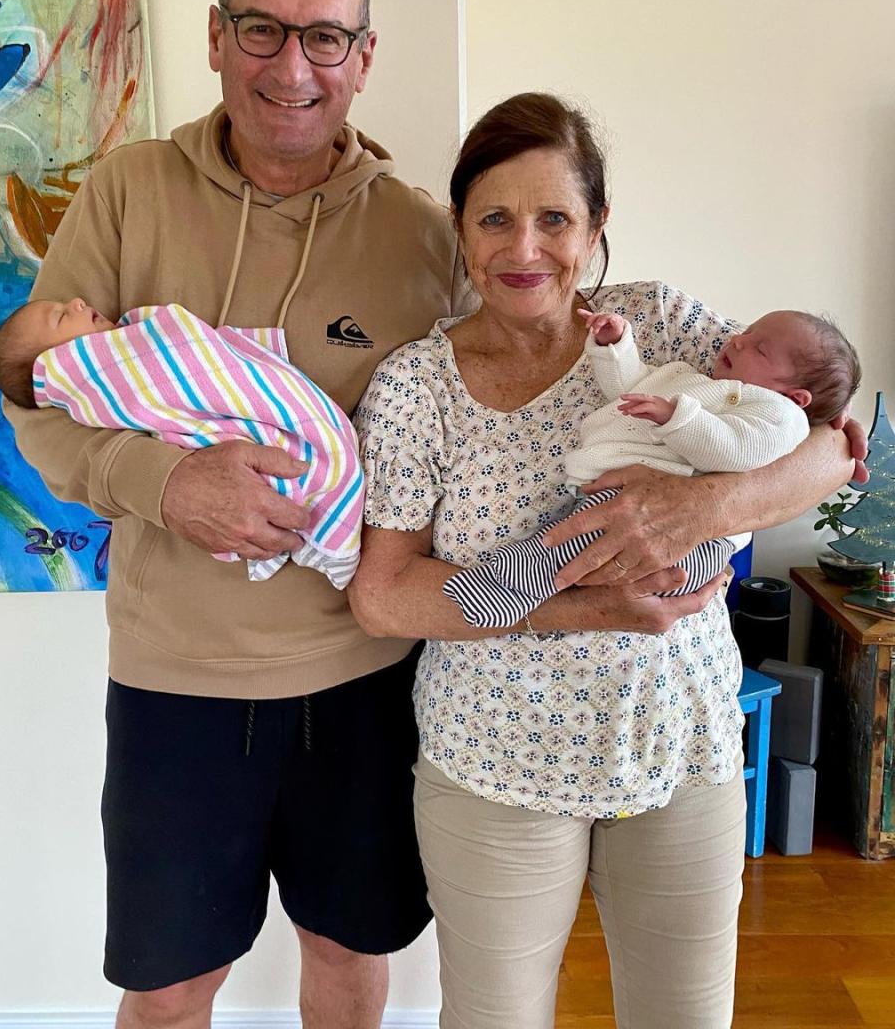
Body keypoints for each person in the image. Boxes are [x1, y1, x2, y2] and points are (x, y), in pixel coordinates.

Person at [3, 0, 478, 1029]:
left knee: (352, 956)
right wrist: (168, 483)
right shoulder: (126, 194)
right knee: (170, 988)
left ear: (364, 58)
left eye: (325, 37)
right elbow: (37, 408)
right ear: (216, 37)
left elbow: (505, 411)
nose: (291, 67)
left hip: (368, 680)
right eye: (262, 29)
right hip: (177, 684)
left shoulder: (421, 239)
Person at [348, 91, 863, 1029]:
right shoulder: (417, 385)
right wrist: (585, 601)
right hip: (496, 765)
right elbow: (382, 598)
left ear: (596, 230)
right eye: (494, 219)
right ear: (459, 229)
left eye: (555, 218)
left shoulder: (660, 323)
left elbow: (826, 440)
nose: (523, 248)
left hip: (682, 743)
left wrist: (693, 507)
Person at [443, 304, 861, 628]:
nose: (737, 340)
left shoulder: (776, 414)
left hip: (673, 522)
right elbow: (630, 388)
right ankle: (526, 595)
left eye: (759, 347)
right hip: (621, 499)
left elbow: (735, 452)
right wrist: (616, 347)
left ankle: (502, 588)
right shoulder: (694, 380)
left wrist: (677, 417)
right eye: (747, 332)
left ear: (797, 397)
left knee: (560, 549)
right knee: (582, 545)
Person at [0, 297, 365, 588]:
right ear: (55, 365)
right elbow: (38, 419)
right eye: (60, 316)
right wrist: (166, 481)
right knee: (303, 464)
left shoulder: (403, 222)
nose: (77, 302)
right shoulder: (89, 373)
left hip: (352, 648)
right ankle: (326, 516)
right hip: (171, 643)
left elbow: (210, 360)